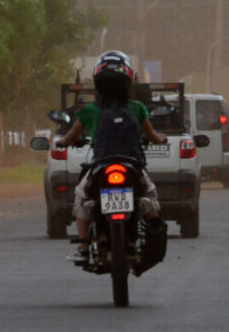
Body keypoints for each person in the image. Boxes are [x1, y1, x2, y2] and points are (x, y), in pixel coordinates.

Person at [58, 51, 167, 262]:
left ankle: (82, 246)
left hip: (101, 166)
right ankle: (153, 240)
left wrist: (60, 143)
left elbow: (69, 138)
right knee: (150, 196)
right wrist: (161, 138)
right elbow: (152, 136)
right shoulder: (138, 108)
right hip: (132, 165)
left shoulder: (88, 111)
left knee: (82, 197)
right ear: (128, 81)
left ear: (98, 83)